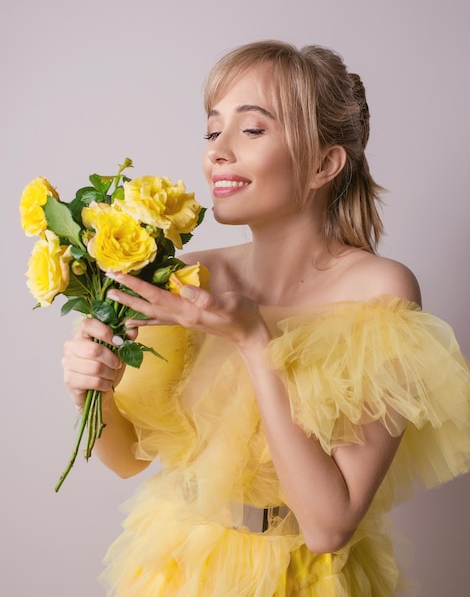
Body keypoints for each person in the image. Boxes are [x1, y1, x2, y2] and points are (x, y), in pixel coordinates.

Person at [62, 40, 470, 596]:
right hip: (177, 565)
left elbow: (330, 525)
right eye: (212, 131)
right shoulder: (186, 279)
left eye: (251, 130)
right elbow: (126, 460)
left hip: (302, 578)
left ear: (324, 163)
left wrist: (255, 339)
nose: (217, 152)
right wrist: (93, 389)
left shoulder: (377, 291)